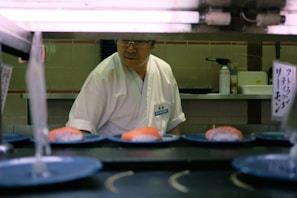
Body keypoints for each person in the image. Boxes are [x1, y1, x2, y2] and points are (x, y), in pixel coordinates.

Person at [65, 40, 186, 137]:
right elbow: (80, 128)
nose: (130, 49)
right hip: (116, 160)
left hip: (156, 161)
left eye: (139, 41)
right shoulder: (103, 75)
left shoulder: (164, 71)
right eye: (124, 41)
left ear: (153, 43)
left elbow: (173, 125)